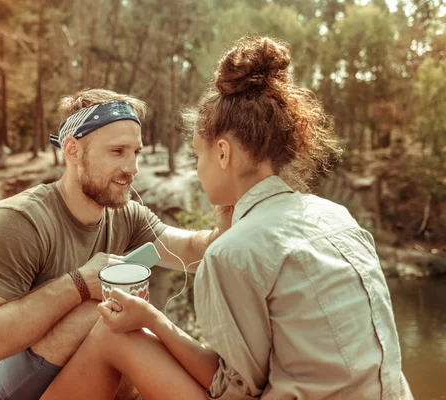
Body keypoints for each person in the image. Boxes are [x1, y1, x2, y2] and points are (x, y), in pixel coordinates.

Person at [38, 36, 414, 400]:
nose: (198, 171)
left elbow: (234, 390)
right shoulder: (336, 215)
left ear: (222, 154)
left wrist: (152, 320)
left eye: (196, 157)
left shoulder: (233, 252)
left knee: (115, 337)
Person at [0, 89, 234, 400]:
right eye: (117, 151)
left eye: (136, 152)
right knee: (101, 314)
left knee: (122, 317)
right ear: (72, 150)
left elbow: (193, 252)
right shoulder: (17, 221)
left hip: (71, 378)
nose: (132, 167)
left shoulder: (124, 215)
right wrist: (80, 283)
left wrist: (232, 208)